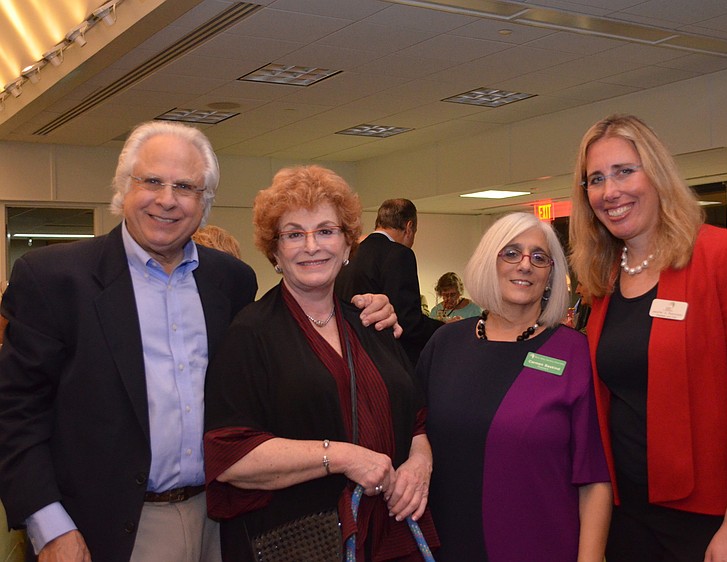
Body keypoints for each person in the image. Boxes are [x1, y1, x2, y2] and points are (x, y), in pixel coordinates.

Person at [0, 122, 397, 562]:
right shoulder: (54, 279)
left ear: (204, 202)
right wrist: (50, 527)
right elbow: (14, 413)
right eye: (152, 181)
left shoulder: (228, 281)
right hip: (107, 528)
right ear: (123, 189)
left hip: (226, 523)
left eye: (186, 186)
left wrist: (373, 308)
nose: (167, 199)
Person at [569, 114, 727, 562]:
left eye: (624, 171)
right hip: (628, 516)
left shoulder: (725, 255)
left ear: (657, 174)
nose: (610, 191)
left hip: (714, 518)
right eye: (596, 179)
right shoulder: (604, 281)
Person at [203, 165, 438, 561]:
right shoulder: (251, 334)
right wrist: (343, 456)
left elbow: (416, 420)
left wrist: (419, 465)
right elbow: (229, 457)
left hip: (392, 533)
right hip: (304, 542)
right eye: (295, 234)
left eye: (326, 231)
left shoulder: (371, 323)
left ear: (347, 246)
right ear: (274, 251)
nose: (312, 246)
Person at [417, 212, 612, 561]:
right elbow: (411, 433)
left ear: (551, 275)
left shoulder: (573, 353)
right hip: (446, 544)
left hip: (541, 545)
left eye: (539, 257)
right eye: (511, 253)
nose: (525, 265)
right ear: (487, 262)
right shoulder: (444, 344)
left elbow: (595, 478)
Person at [336, 198, 442, 365]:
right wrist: (446, 329)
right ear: (409, 227)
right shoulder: (399, 254)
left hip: (351, 353)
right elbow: (408, 321)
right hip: (388, 357)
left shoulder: (350, 252)